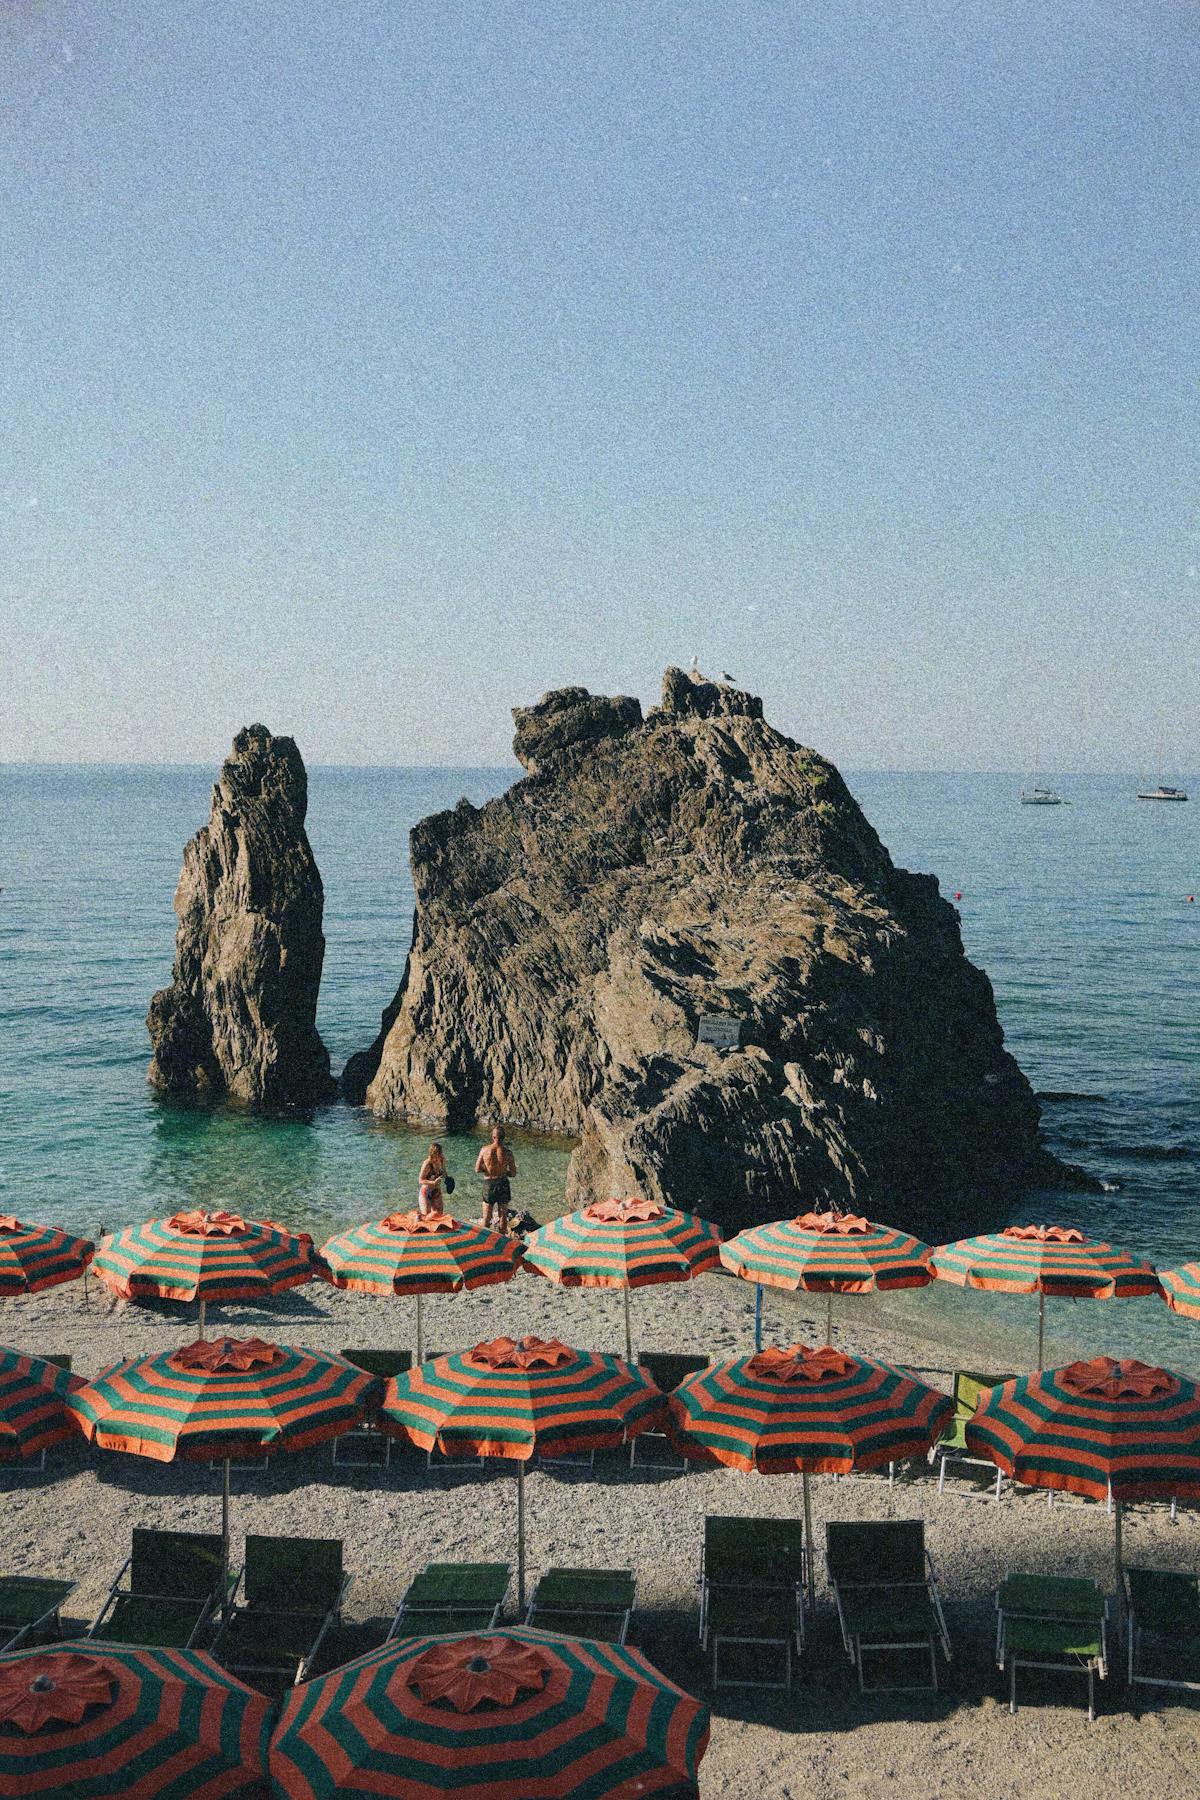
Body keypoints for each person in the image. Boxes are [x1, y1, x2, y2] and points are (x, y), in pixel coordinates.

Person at [475, 1125, 517, 1232]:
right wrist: (503, 1171)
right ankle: (502, 1239)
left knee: (486, 1217)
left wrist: (488, 1169)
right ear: (504, 1137)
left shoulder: (484, 1150)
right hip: (503, 1183)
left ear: (493, 1137)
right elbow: (513, 1173)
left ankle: (484, 1239)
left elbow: (477, 1169)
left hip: (489, 1183)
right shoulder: (508, 1153)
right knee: (503, 1216)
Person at [417, 1143, 448, 1218]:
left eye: (440, 1152)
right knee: (426, 1217)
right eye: (437, 1153)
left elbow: (444, 1172)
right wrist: (433, 1182)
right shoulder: (427, 1163)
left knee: (439, 1216)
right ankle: (418, 1218)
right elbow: (420, 1180)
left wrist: (447, 1178)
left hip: (436, 1191)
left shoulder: (441, 1160)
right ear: (432, 1153)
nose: (439, 1155)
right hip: (426, 1192)